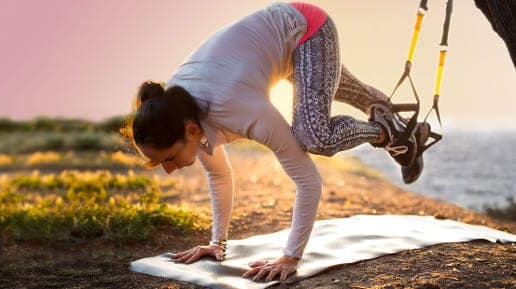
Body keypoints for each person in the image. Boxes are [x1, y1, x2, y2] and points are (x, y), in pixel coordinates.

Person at [120, 1, 429, 283]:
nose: (170, 170)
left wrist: (290, 257)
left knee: (314, 135)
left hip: (307, 28)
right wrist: (217, 242)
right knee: (354, 94)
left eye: (168, 159)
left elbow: (308, 180)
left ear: (189, 132)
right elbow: (218, 174)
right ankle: (407, 131)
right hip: (279, 41)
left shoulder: (237, 108)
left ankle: (387, 132)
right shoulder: (176, 109)